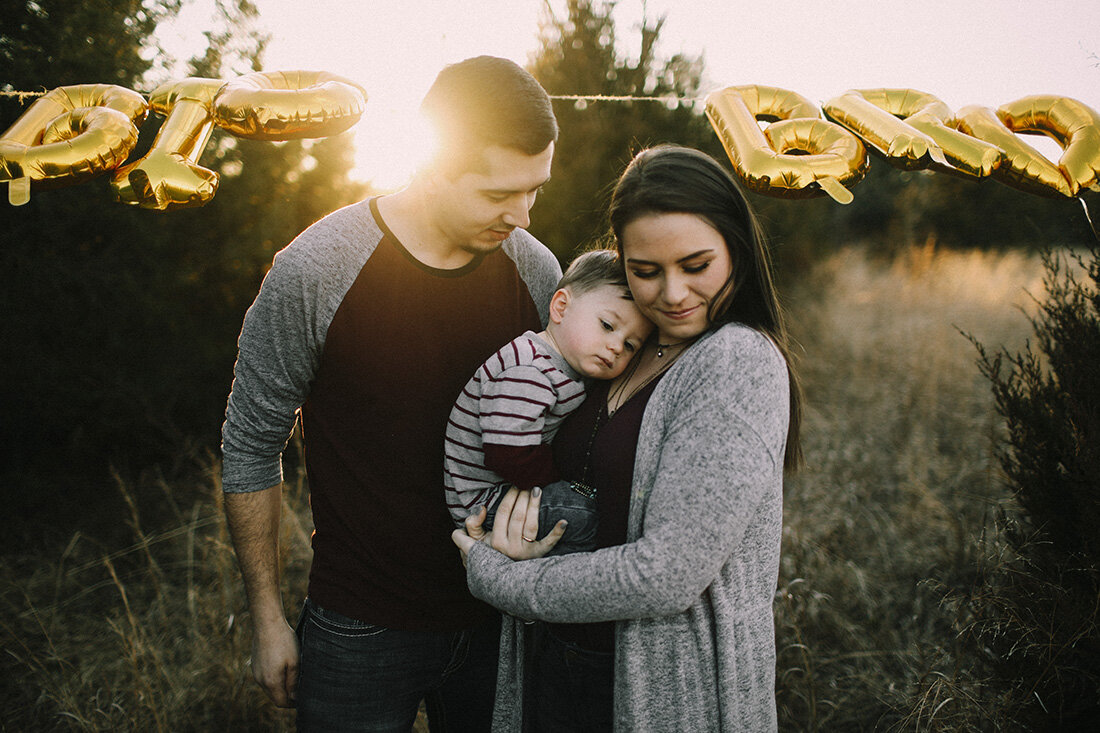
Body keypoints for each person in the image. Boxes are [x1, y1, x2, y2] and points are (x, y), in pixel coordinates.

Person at [220, 56, 561, 731]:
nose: (521, 215)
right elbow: (251, 445)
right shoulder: (316, 270)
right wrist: (267, 615)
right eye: (499, 193)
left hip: (501, 618)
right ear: (431, 165)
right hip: (359, 628)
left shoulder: (536, 270)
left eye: (535, 190)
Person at [453, 145, 804, 732]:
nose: (671, 294)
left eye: (696, 266)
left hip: (665, 689)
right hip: (553, 662)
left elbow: (668, 572)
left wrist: (507, 579)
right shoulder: (615, 345)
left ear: (736, 249)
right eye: (646, 271)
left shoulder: (735, 360)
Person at [444, 249, 652, 555]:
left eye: (631, 345)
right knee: (588, 518)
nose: (616, 346)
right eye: (607, 326)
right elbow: (508, 452)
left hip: (501, 490)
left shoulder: (564, 365)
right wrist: (557, 481)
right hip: (483, 499)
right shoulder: (531, 370)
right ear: (561, 307)